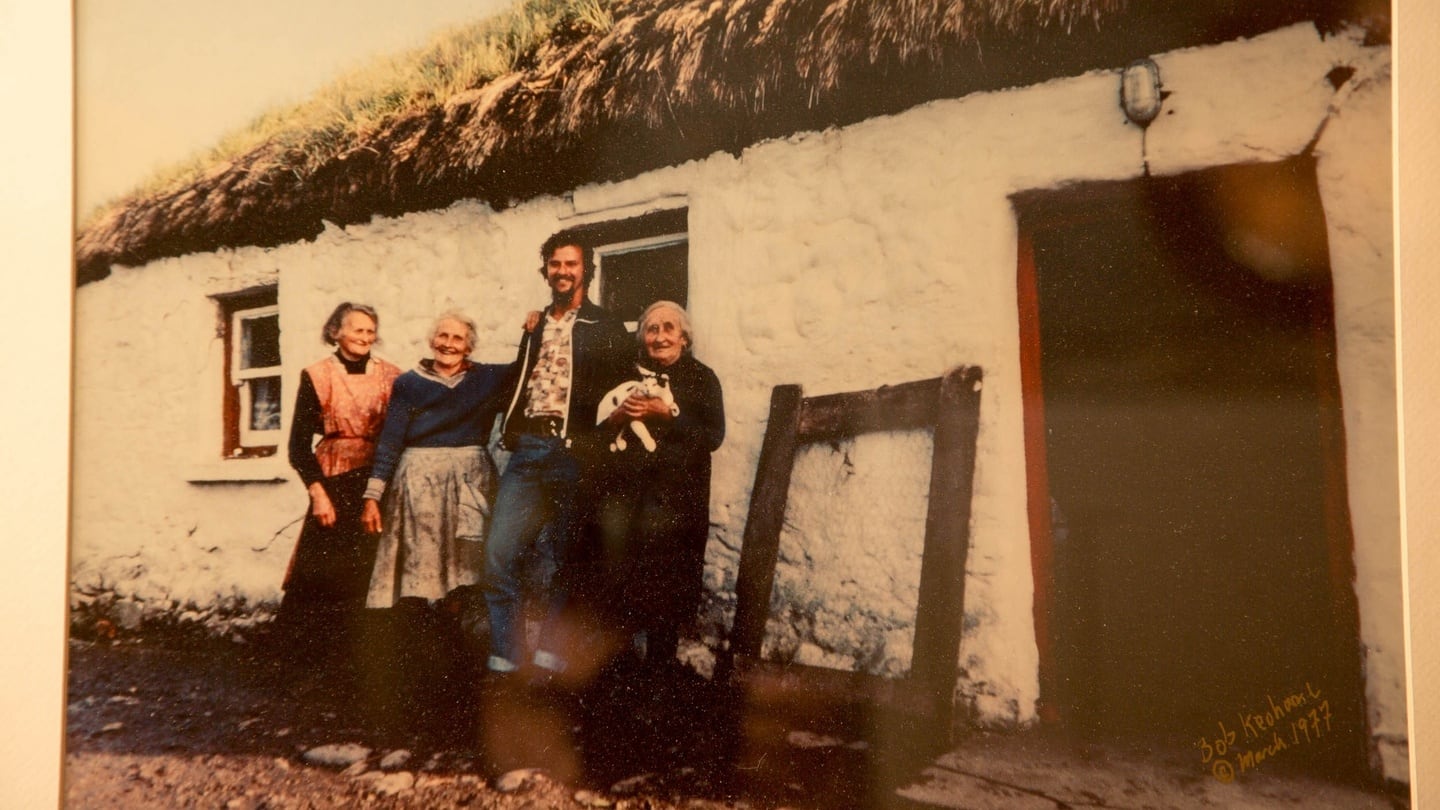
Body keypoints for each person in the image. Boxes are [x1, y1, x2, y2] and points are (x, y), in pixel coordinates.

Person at [482, 229, 629, 680]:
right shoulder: (535, 325)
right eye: (555, 264)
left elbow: (622, 389)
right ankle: (507, 655)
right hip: (528, 453)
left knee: (567, 556)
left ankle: (549, 654)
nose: (563, 271)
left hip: (573, 455)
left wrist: (597, 443)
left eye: (572, 264)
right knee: (498, 554)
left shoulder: (604, 326)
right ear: (544, 269)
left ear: (587, 270)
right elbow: (518, 379)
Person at [358, 311, 511, 736]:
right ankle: (422, 698)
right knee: (422, 588)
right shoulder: (409, 383)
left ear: (470, 344)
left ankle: (467, 695)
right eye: (441, 335)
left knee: (467, 583)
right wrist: (374, 496)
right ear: (431, 340)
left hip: (470, 483)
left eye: (457, 337)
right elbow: (390, 439)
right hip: (419, 483)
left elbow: (536, 362)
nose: (448, 343)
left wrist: (533, 327)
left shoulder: (488, 378)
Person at [588, 301, 725, 669]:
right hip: (628, 501)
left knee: (666, 591)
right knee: (622, 585)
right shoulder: (628, 374)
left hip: (676, 504)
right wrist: (617, 416)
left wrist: (670, 415)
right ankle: (621, 675)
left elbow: (713, 436)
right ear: (643, 338)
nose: (660, 336)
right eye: (652, 329)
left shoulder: (702, 378)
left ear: (684, 337)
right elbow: (598, 436)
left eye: (668, 328)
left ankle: (659, 678)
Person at [275, 302, 401, 674]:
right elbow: (298, 445)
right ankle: (308, 668)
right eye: (356, 329)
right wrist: (318, 495)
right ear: (336, 332)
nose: (364, 337)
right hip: (334, 483)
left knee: (369, 574)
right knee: (321, 576)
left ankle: (363, 668)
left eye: (369, 330)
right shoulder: (317, 375)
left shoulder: (393, 376)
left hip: (377, 482)